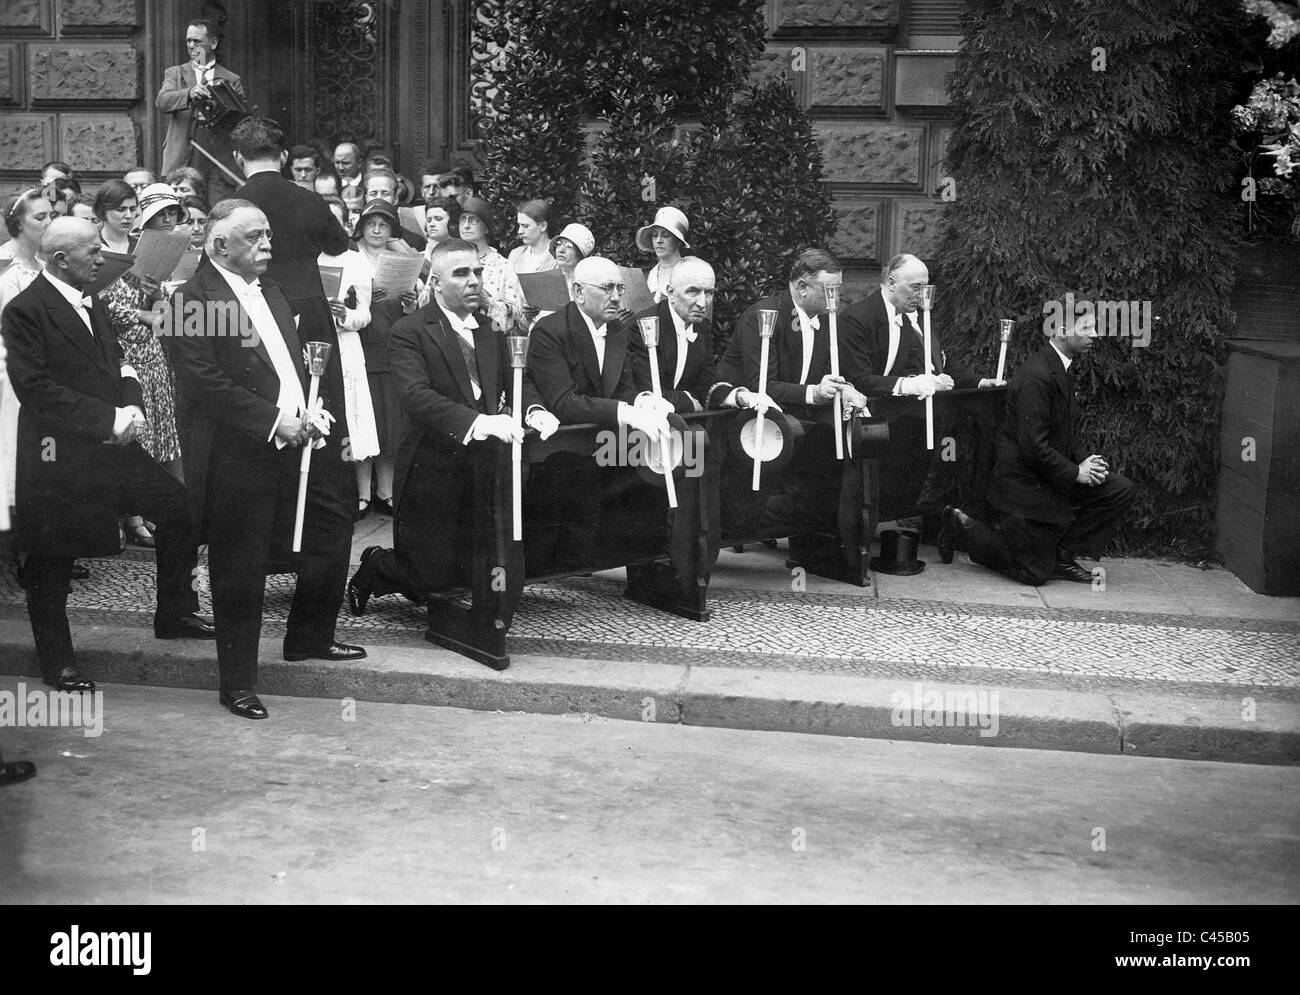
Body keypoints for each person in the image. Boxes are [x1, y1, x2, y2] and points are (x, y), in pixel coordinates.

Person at [165, 200, 365, 721]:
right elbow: (205, 384)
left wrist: (309, 410)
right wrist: (276, 420)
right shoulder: (191, 300)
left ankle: (309, 636)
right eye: (254, 237)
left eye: (268, 235)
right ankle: (238, 681)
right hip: (241, 452)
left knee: (331, 526)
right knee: (241, 567)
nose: (267, 245)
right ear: (219, 246)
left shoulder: (271, 289)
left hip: (300, 438)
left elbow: (288, 362)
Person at [4, 218, 213, 694]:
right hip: (58, 455)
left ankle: (175, 611)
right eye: (93, 252)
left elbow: (116, 357)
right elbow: (36, 390)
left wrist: (132, 400)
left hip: (111, 444)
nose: (102, 260)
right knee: (51, 560)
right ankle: (58, 663)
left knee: (178, 508)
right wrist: (108, 419)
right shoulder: (25, 310)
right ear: (60, 259)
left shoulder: (90, 297)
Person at [346, 240, 556, 614]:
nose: (474, 281)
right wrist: (479, 421)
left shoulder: (492, 330)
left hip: (484, 462)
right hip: (431, 464)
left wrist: (534, 409)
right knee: (427, 575)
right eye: (461, 273)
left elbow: (517, 380)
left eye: (477, 272)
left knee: (471, 555)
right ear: (437, 284)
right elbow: (416, 396)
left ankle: (478, 615)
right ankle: (377, 564)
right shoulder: (410, 330)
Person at [939, 311, 1136, 585]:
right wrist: (1075, 472)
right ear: (1064, 330)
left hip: (1050, 475)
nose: (1095, 334)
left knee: (1119, 489)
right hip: (1025, 484)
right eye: (1087, 327)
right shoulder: (1037, 375)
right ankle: (962, 527)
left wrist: (1086, 462)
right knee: (1034, 574)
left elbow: (1067, 429)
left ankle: (1063, 557)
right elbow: (1032, 446)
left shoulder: (1061, 367)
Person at [524, 256, 671, 569]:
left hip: (604, 444)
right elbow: (563, 402)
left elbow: (621, 389)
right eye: (607, 288)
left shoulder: (618, 329)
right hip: (558, 451)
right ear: (578, 291)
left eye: (619, 287)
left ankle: (649, 562)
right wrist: (627, 412)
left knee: (679, 459)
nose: (617, 296)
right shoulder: (549, 331)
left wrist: (645, 400)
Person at [717, 248, 868, 419]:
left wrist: (843, 389)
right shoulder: (763, 317)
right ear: (803, 287)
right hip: (751, 416)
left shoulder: (827, 321)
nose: (836, 297)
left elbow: (827, 374)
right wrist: (814, 392)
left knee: (851, 430)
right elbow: (762, 386)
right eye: (829, 289)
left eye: (838, 289)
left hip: (800, 414)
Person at [624, 257, 773, 415]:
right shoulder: (641, 327)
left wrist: (740, 397)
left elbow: (706, 383)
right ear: (671, 293)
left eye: (709, 293)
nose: (702, 303)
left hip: (684, 422)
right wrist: (688, 400)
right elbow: (650, 393)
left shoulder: (701, 328)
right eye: (693, 291)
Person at [841, 253, 1003, 398]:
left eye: (925, 287)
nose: (921, 294)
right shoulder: (857, 318)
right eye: (915, 287)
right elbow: (857, 379)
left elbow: (934, 361)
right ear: (891, 283)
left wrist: (979, 382)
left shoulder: (909, 317)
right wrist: (913, 384)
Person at [350, 199, 417, 517]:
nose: (376, 230)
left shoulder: (399, 258)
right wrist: (363, 294)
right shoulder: (351, 259)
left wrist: (408, 303)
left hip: (390, 343)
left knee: (389, 421)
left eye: (383, 224)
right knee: (364, 419)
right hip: (361, 343)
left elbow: (412, 308)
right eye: (371, 224)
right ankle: (362, 493)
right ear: (361, 228)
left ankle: (385, 491)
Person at [156, 19, 246, 206]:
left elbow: (242, 119)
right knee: (184, 211)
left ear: (213, 43)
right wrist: (189, 93)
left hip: (219, 159)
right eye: (188, 41)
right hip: (185, 155)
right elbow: (162, 101)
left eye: (197, 41)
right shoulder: (176, 73)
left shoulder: (231, 79)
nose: (191, 46)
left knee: (219, 212)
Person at [457, 197, 524, 332]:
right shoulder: (448, 260)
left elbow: (516, 313)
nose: (466, 225)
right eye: (462, 219)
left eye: (473, 220)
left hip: (491, 336)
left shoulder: (503, 266)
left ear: (487, 228)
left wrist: (487, 302)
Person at [637, 206, 690, 303]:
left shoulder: (690, 274)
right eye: (655, 235)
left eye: (665, 235)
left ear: (678, 241)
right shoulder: (648, 276)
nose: (658, 241)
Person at [508, 199, 557, 274]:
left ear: (543, 226)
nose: (519, 231)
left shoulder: (559, 256)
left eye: (525, 226)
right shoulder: (515, 255)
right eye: (519, 225)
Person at [92, 180, 137, 255]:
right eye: (121, 209)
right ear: (103, 210)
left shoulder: (140, 246)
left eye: (132, 209)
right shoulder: (90, 246)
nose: (129, 215)